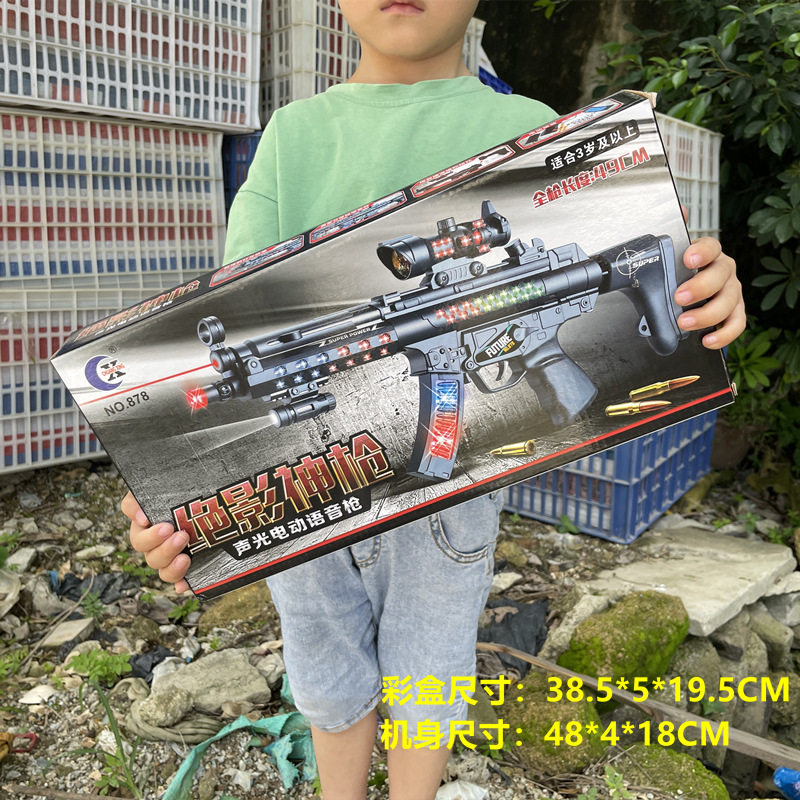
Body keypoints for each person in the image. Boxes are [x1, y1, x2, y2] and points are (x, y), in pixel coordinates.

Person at [122, 2, 746, 798]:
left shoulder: (529, 129)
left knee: (429, 669)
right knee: (323, 657)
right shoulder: (294, 135)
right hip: (316, 481)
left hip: (454, 491)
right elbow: (242, 312)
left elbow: (654, 259)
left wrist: (705, 291)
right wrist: (173, 497)